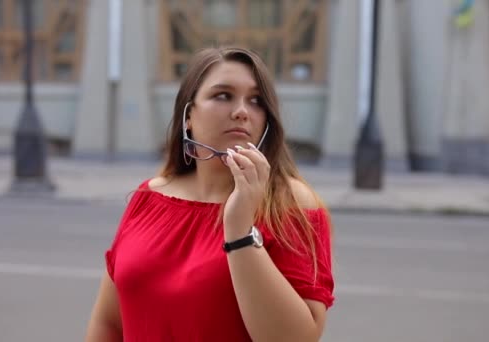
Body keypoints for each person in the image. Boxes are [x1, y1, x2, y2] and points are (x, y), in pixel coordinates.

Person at [85, 46, 335, 341]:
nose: (242, 111)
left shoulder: (292, 204)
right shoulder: (149, 196)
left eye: (256, 101)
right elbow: (109, 324)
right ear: (188, 115)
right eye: (223, 95)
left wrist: (240, 230)